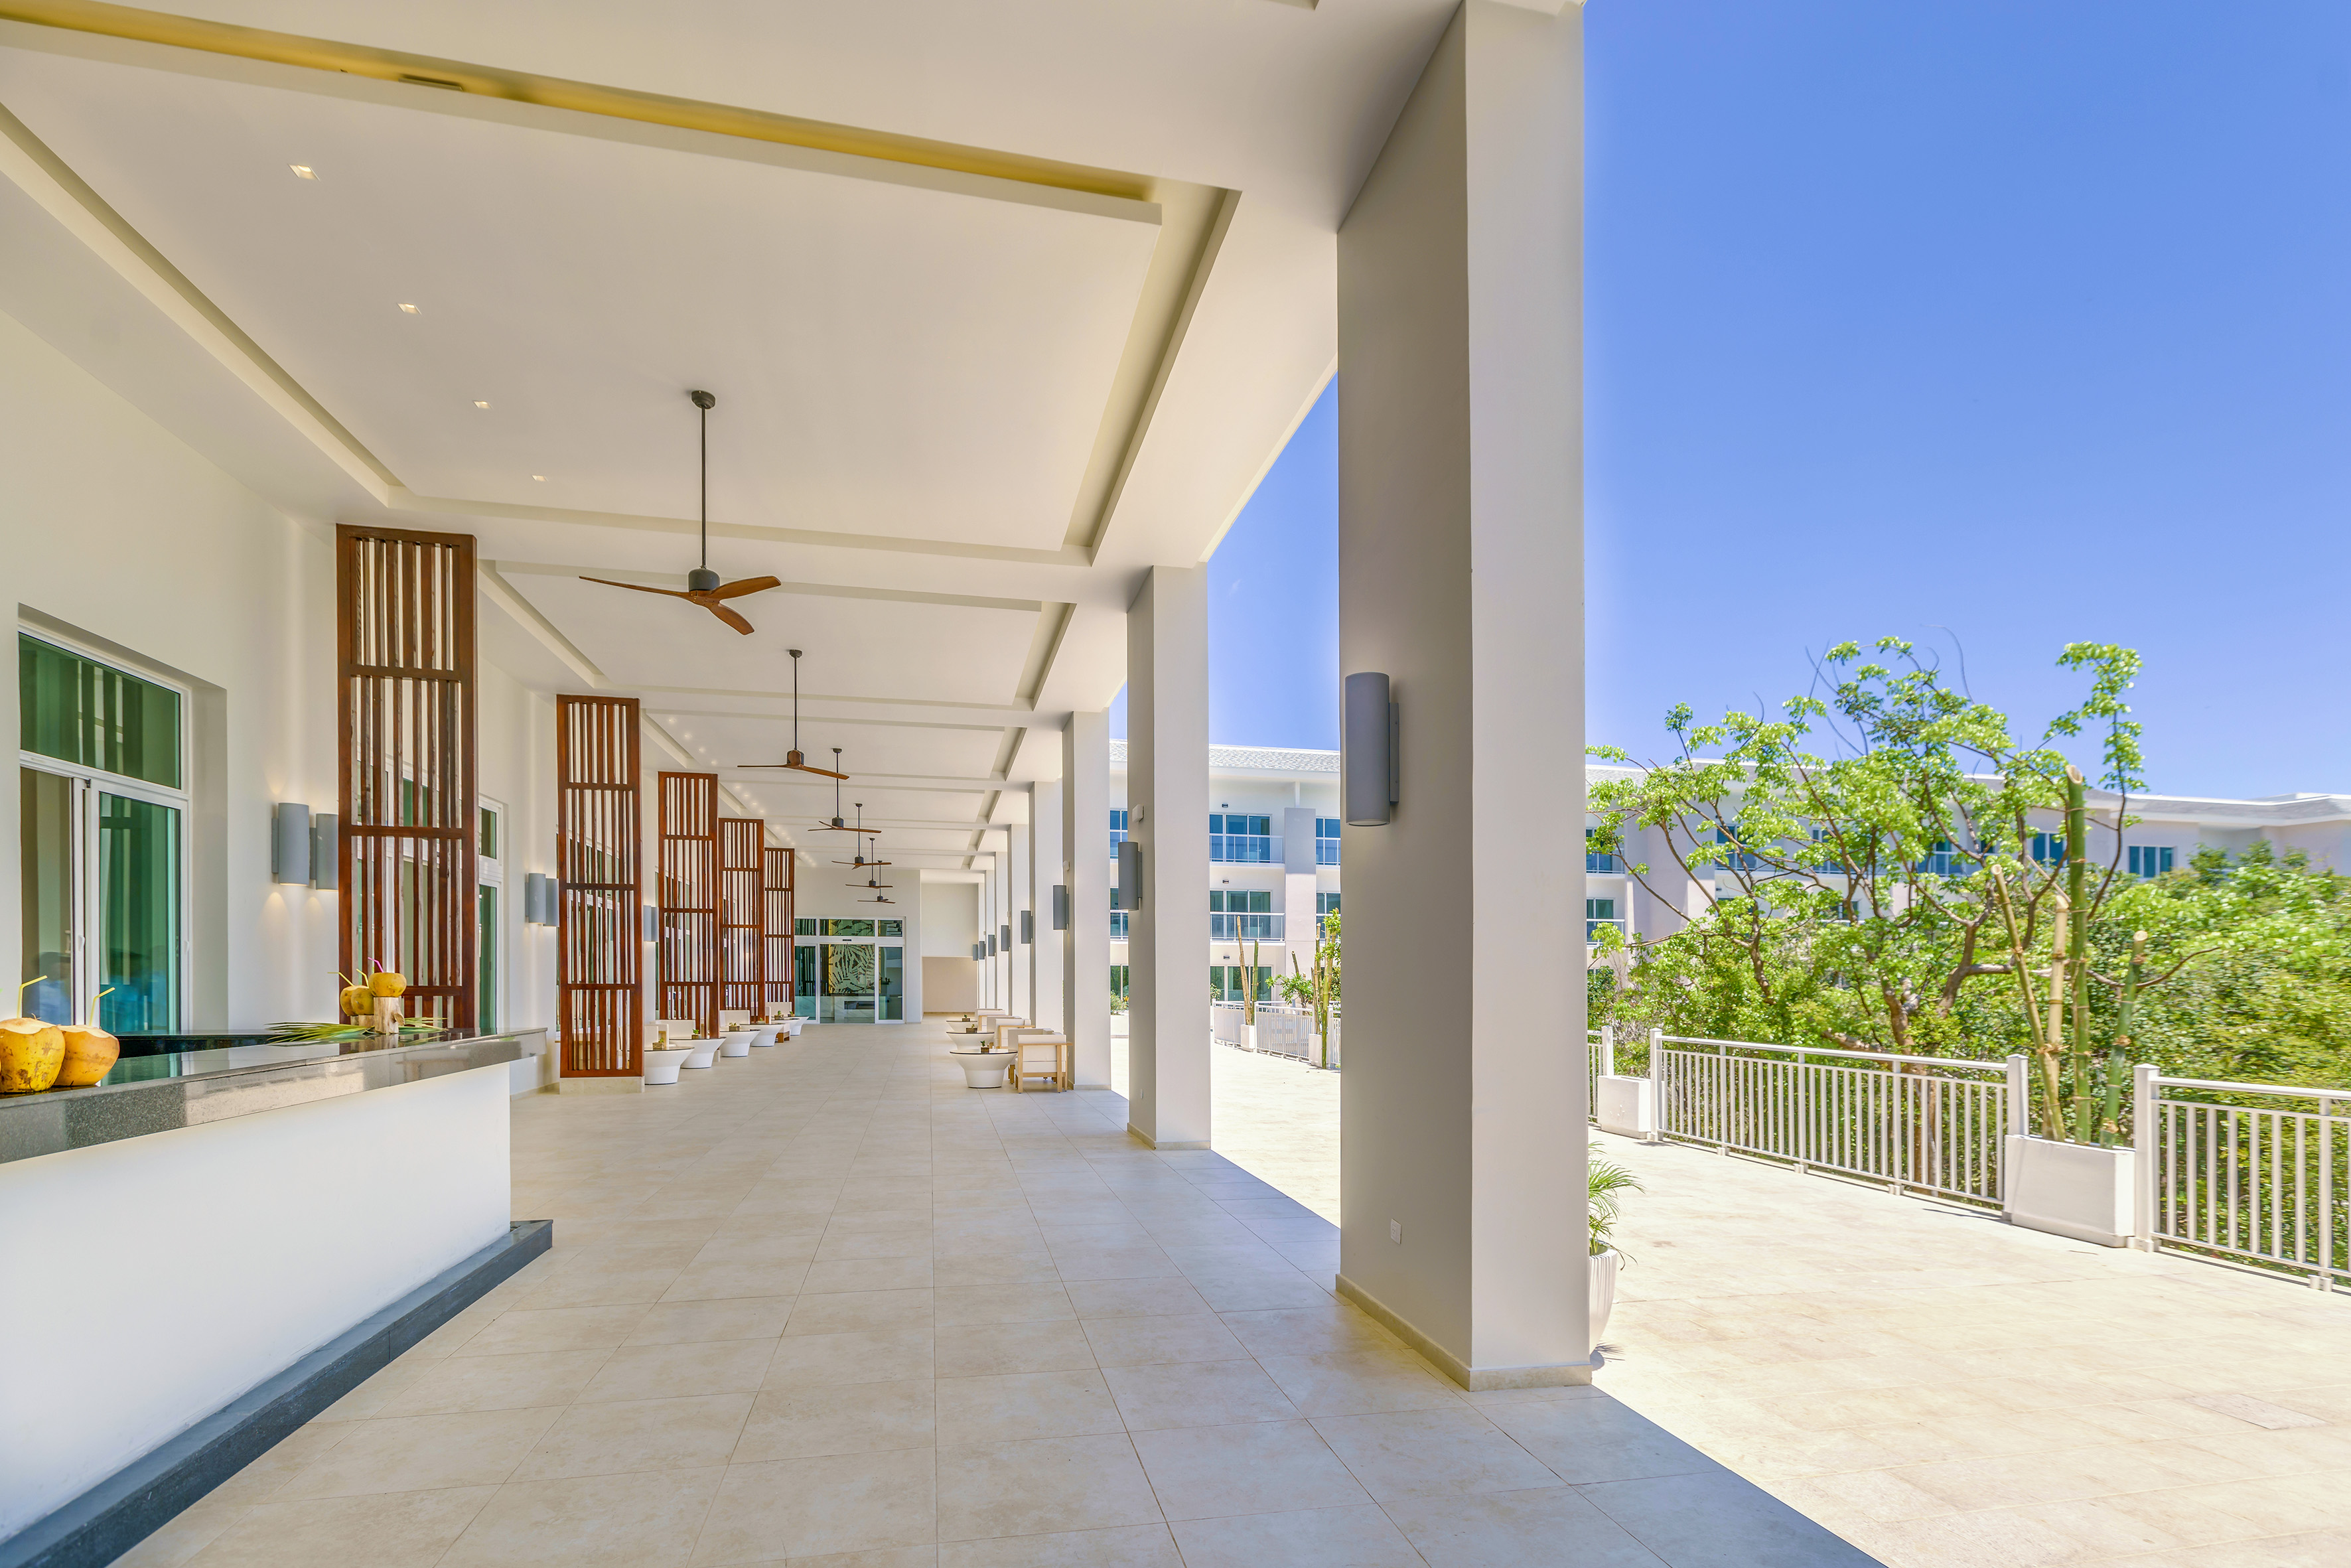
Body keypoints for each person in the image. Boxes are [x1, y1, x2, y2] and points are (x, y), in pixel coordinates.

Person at [25, 952, 70, 1024]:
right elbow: (38, 1018)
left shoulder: (60, 985)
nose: (65, 967)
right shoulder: (40, 989)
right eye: (60, 964)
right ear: (48, 966)